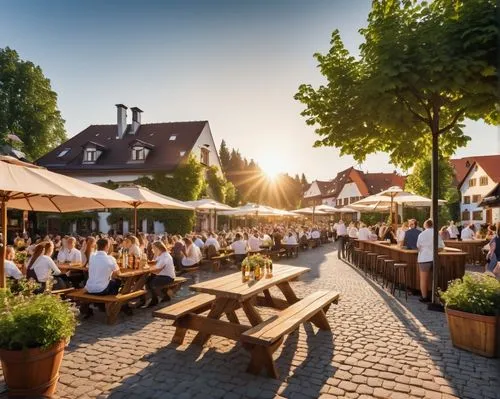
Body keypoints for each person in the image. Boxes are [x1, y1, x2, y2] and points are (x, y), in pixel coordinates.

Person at [416, 219, 444, 303]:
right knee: (435, 278)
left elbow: (418, 247)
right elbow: (441, 248)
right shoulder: (436, 233)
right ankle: (435, 296)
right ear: (432, 225)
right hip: (434, 258)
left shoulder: (421, 234)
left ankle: (424, 297)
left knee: (423, 279)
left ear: (425, 225)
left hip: (424, 258)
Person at [143, 241, 176, 308]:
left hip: (168, 277)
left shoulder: (165, 256)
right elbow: (154, 264)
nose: (152, 250)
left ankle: (163, 297)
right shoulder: (160, 255)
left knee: (152, 283)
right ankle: (154, 299)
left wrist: (148, 269)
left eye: (153, 248)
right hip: (162, 275)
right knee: (147, 280)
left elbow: (158, 270)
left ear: (158, 248)